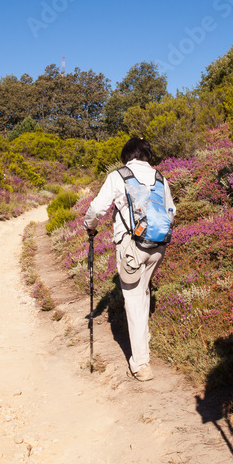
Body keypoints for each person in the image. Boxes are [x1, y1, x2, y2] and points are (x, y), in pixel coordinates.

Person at [84, 137, 175, 382]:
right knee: (143, 291)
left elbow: (97, 208)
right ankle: (143, 340)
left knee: (133, 299)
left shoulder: (119, 175)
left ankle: (141, 364)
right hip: (158, 246)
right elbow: (171, 211)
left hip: (131, 246)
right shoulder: (160, 178)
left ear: (128, 155)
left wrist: (89, 227)